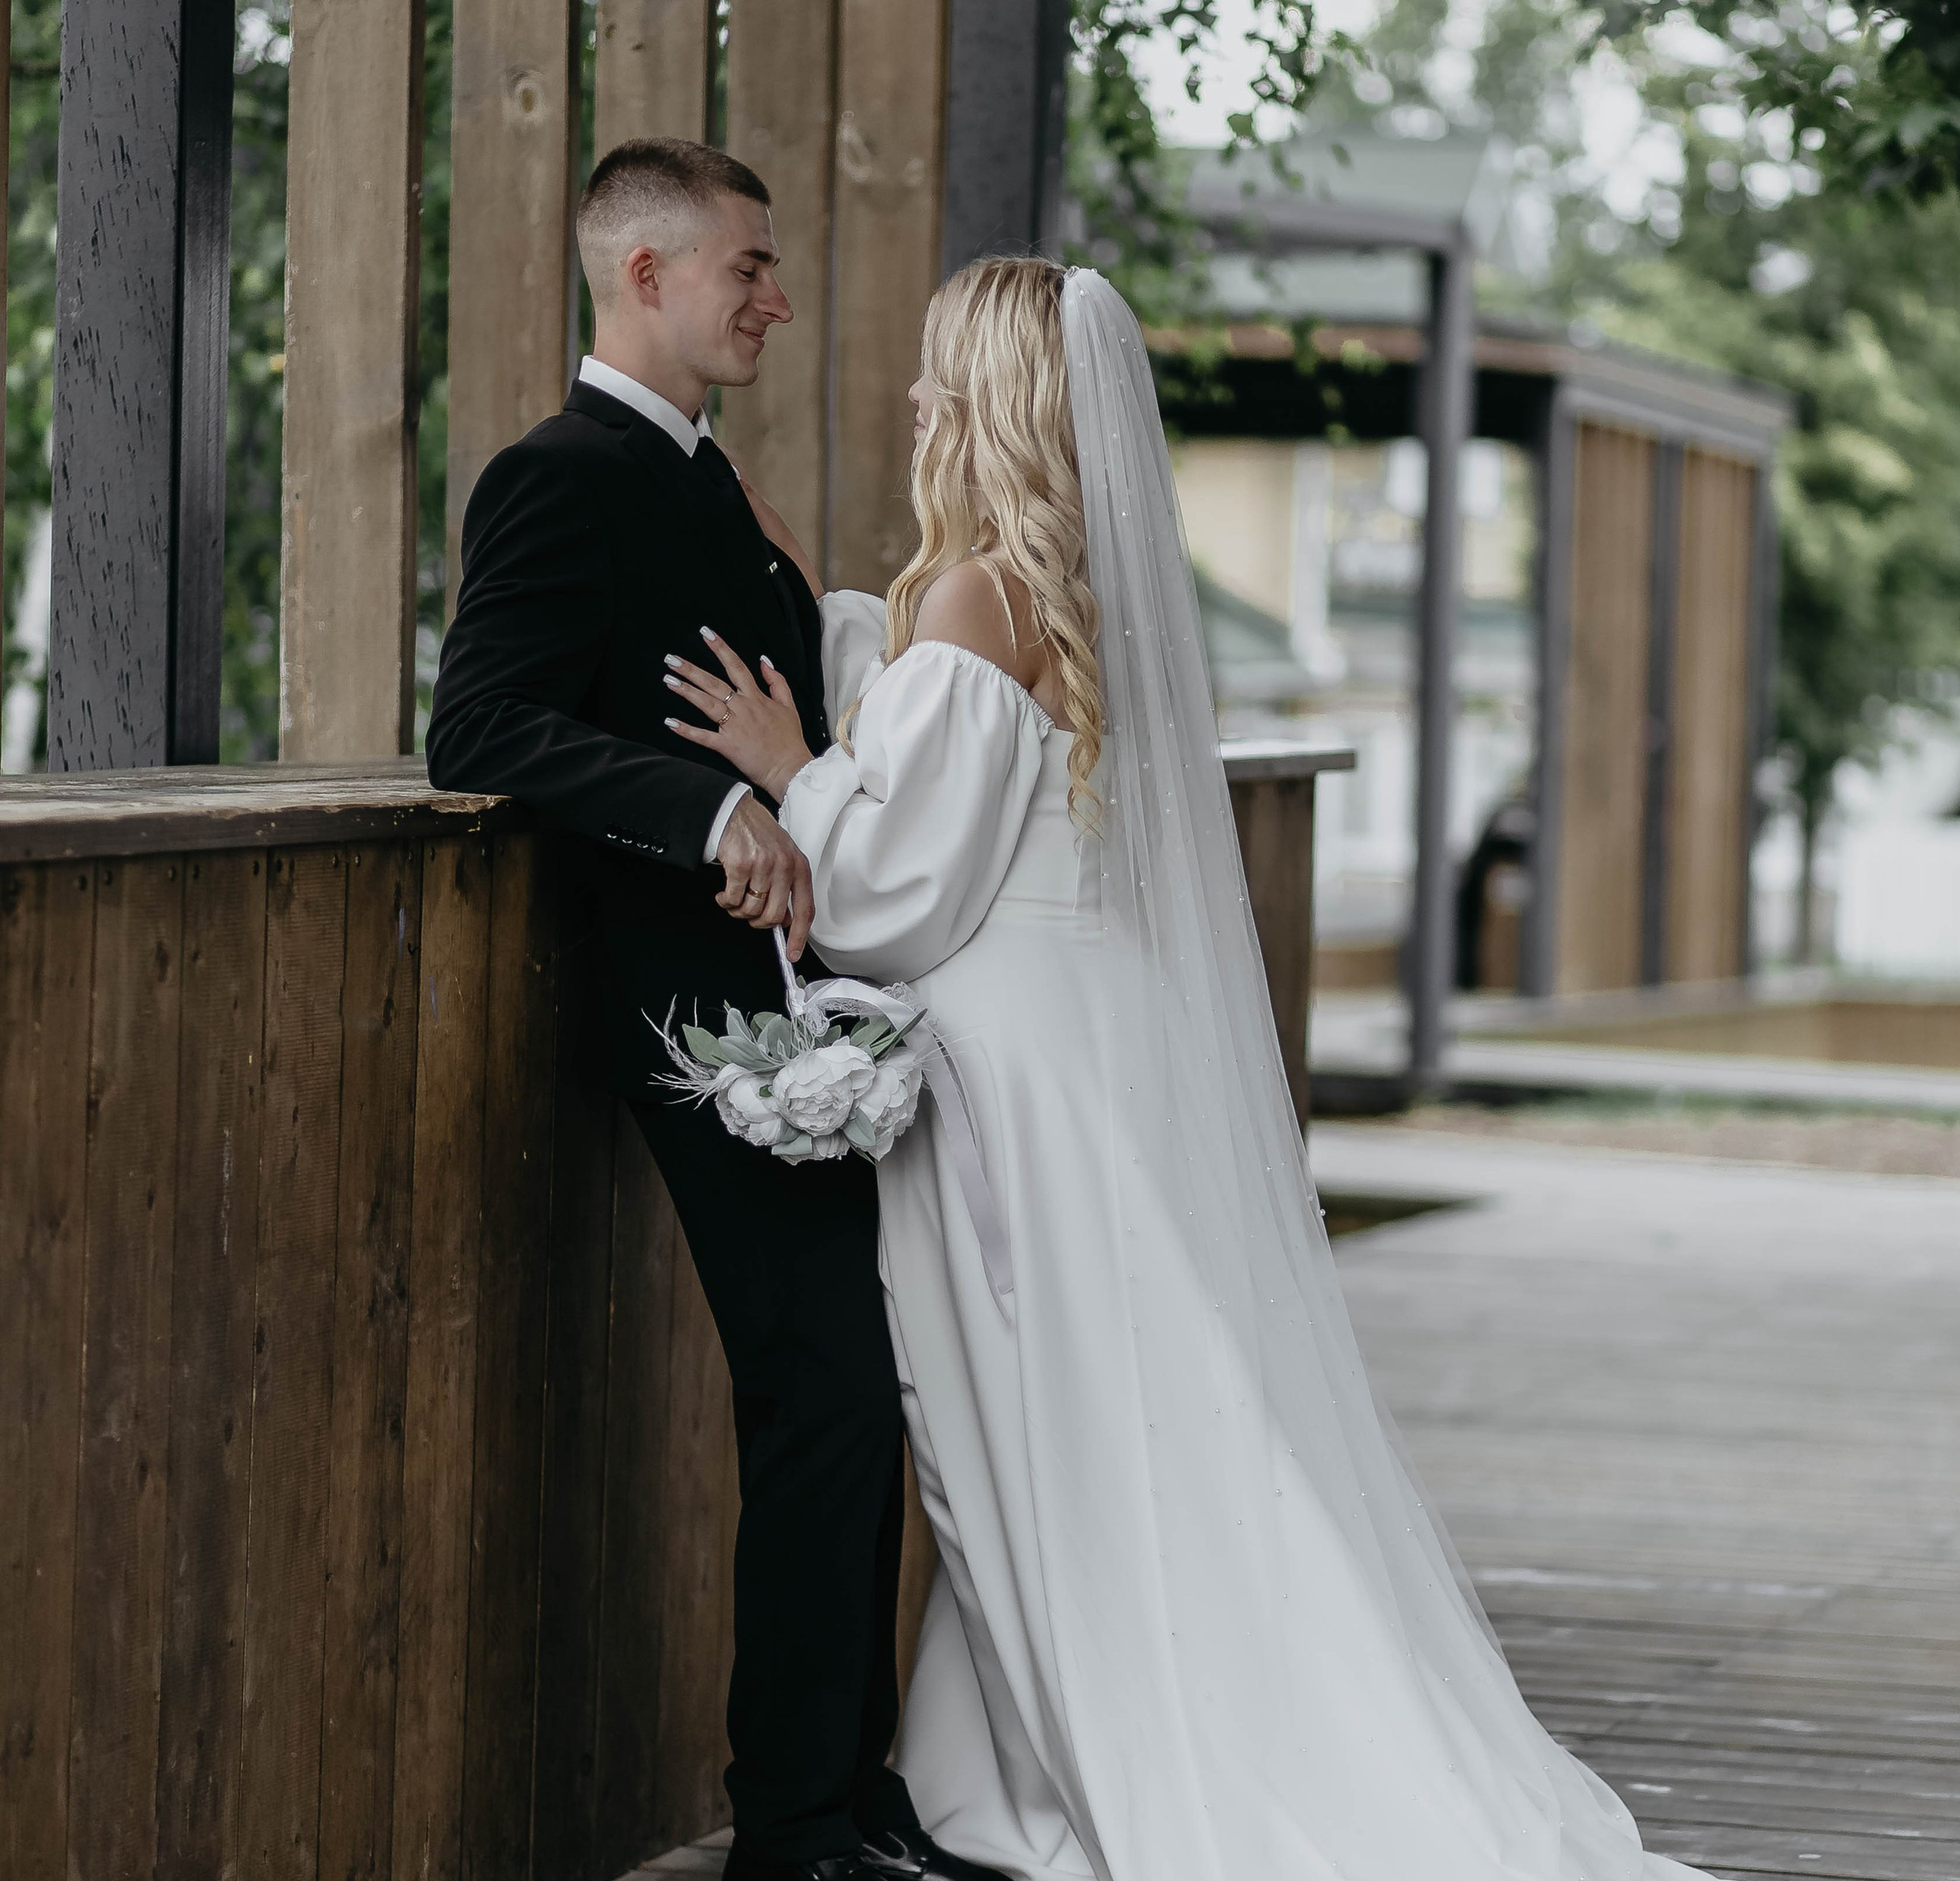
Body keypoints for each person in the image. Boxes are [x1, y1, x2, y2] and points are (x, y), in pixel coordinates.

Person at [665, 257, 1714, 1881]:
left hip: (1007, 1083)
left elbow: (897, 891)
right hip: (1078, 1053)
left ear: (999, 398)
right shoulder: (1048, 588)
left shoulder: (974, 599)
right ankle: (1041, 1739)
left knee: (1041, 1423)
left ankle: (1104, 1745)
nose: (918, 400)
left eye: (943, 375)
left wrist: (794, 768)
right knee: (1121, 1406)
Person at [426, 138, 1002, 1881]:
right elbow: (482, 727)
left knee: (854, 1395)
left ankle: (848, 1790)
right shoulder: (559, 474)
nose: (774, 294)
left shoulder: (707, 483)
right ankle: (797, 1825)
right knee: (825, 1391)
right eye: (745, 266)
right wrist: (707, 812)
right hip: (689, 1018)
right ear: (645, 276)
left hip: (795, 1018)